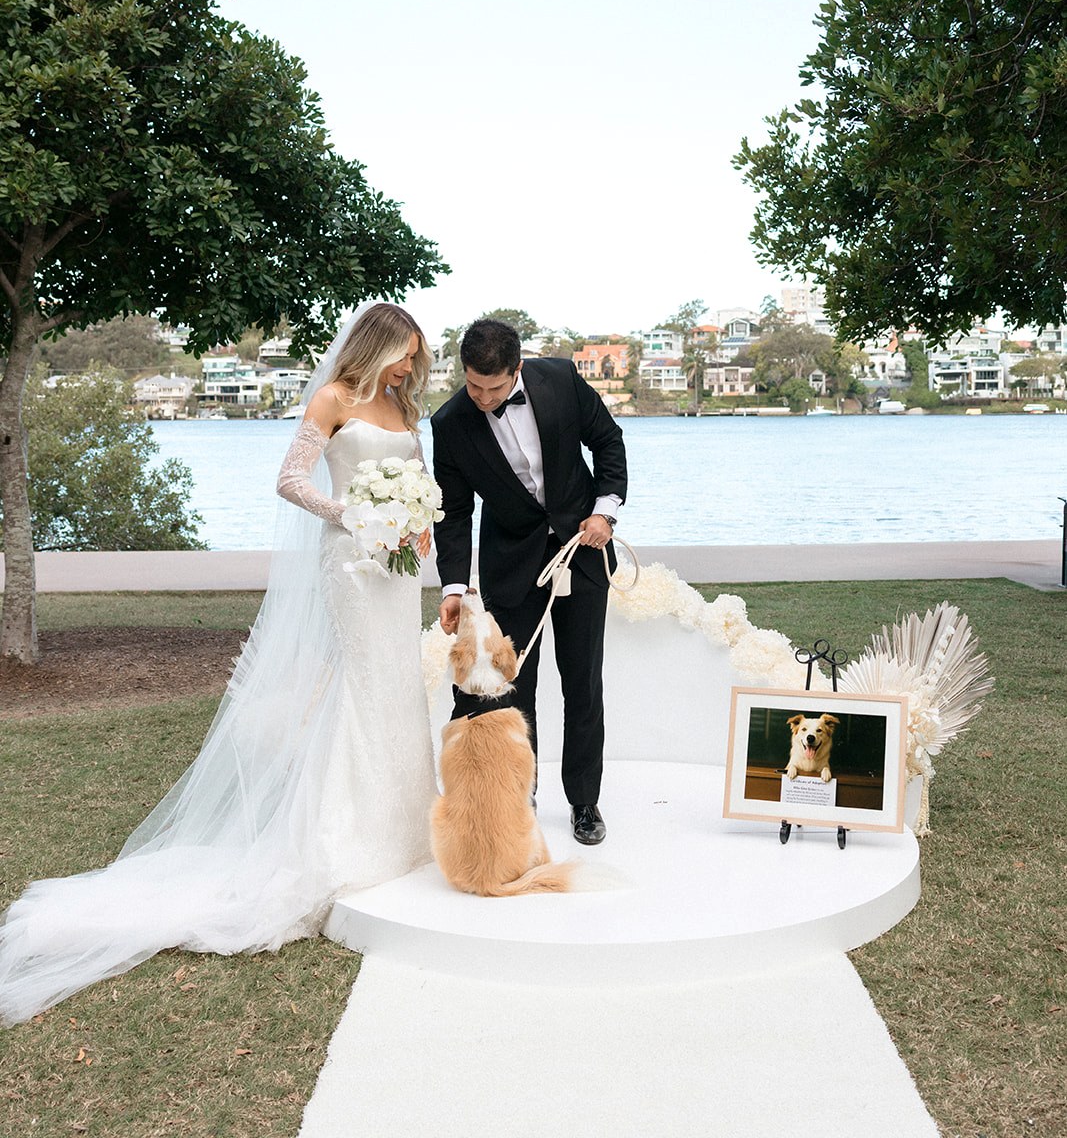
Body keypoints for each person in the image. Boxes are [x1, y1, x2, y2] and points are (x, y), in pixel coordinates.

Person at [0, 303, 437, 1025]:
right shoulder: (333, 398)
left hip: (396, 574)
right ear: (378, 345)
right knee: (360, 692)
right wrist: (350, 514)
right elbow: (290, 481)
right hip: (352, 568)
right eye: (402, 354)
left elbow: (416, 489)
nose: (407, 368)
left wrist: (415, 524)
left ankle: (406, 830)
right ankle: (349, 838)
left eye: (413, 358)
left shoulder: (400, 405)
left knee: (397, 691)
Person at [431, 319, 627, 845]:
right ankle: (520, 793)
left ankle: (585, 802)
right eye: (473, 385)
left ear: (517, 369)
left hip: (581, 557)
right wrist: (453, 588)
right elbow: (452, 513)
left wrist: (604, 514)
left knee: (583, 682)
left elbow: (608, 442)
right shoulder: (449, 422)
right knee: (515, 688)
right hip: (511, 569)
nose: (484, 398)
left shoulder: (561, 380)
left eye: (495, 388)